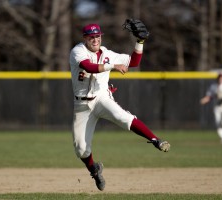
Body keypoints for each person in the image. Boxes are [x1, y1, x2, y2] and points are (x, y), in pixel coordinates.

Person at [69, 22, 170, 191]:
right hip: (82, 104)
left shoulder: (108, 53)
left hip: (101, 97)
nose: (95, 40)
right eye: (91, 37)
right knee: (81, 149)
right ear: (85, 38)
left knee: (123, 117)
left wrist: (140, 42)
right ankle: (94, 170)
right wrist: (113, 66)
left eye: (97, 36)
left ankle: (155, 140)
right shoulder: (77, 51)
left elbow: (134, 62)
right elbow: (89, 66)